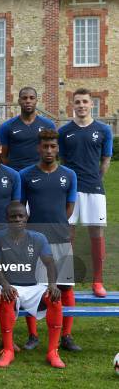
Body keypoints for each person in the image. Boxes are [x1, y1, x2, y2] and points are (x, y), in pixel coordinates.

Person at [20, 129, 79, 352]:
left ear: (58, 148)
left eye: (53, 146)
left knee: (65, 287)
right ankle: (33, 334)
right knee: (34, 287)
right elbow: (21, 208)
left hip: (61, 237)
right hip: (35, 239)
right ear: (38, 148)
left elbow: (69, 206)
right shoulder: (26, 174)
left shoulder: (69, 175)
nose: (49, 150)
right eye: (45, 146)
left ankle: (66, 335)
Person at [0, 202, 65, 368]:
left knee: (55, 299)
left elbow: (50, 263)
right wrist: (5, 284)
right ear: (7, 219)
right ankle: (8, 350)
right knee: (7, 297)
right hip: (8, 285)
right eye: (13, 216)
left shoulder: (38, 238)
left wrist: (53, 285)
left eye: (21, 216)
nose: (17, 219)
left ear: (26, 218)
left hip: (32, 286)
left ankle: (53, 351)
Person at [58, 88, 112, 297]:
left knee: (96, 233)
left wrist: (96, 178)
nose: (81, 105)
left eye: (85, 102)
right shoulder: (64, 132)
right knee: (67, 233)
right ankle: (66, 281)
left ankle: (97, 281)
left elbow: (105, 159)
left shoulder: (103, 130)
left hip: (94, 189)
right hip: (70, 189)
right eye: (77, 102)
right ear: (73, 105)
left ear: (92, 105)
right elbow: (60, 160)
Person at [0, 87, 55, 171]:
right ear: (19, 101)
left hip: (40, 173)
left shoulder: (48, 125)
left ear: (36, 101)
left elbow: (53, 151)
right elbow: (3, 156)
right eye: (24, 98)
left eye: (32, 98)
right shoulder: (7, 126)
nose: (28, 101)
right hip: (17, 174)